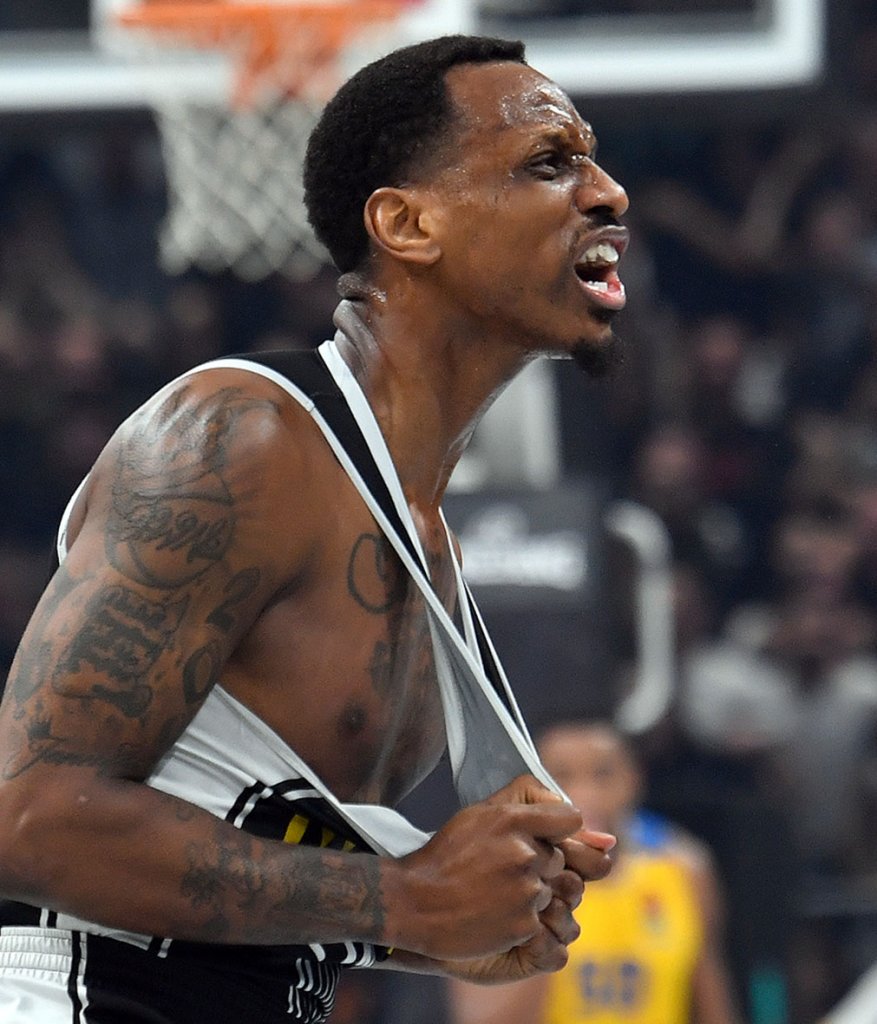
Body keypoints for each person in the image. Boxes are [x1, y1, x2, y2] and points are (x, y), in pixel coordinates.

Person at [0, 33, 630, 1024]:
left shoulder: (426, 546)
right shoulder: (237, 438)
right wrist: (409, 899)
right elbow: (29, 820)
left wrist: (454, 922)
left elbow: (253, 863)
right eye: (549, 162)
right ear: (405, 223)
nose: (607, 194)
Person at [449, 722, 742, 1024]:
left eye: (603, 774)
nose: (584, 794)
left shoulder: (684, 870)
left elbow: (712, 1001)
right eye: (561, 776)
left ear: (633, 778)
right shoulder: (501, 884)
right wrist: (543, 913)